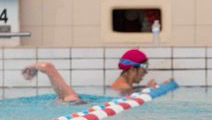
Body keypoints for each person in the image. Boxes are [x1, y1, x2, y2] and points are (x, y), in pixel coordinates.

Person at [22, 49, 157, 102]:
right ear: (133, 68)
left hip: (87, 101)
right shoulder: (125, 89)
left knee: (69, 98)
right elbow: (127, 93)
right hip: (81, 103)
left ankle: (47, 69)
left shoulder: (120, 87)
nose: (146, 72)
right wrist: (146, 89)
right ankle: (48, 69)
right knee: (71, 98)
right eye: (145, 67)